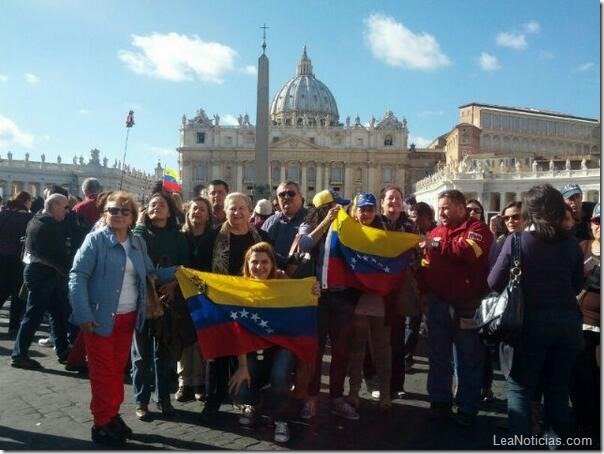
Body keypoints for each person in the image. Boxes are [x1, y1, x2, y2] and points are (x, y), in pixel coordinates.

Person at [69, 191, 177, 446]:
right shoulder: (94, 240)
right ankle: (101, 423)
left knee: (117, 371)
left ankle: (112, 415)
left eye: (124, 211)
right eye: (112, 211)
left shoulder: (137, 244)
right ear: (105, 215)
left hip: (129, 318)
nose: (118, 215)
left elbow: (150, 273)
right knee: (102, 373)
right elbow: (77, 277)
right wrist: (83, 314)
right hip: (99, 318)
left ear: (132, 217)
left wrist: (179, 272)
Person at [488, 184, 583, 440]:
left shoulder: (516, 241)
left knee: (520, 390)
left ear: (529, 212)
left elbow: (493, 283)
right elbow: (577, 284)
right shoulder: (572, 244)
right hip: (567, 324)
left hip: (527, 325)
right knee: (557, 392)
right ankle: (559, 445)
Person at [228, 241, 320, 443]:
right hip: (253, 348)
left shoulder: (283, 283)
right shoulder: (240, 288)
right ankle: (253, 402)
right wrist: (242, 367)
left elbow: (301, 299)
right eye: (254, 262)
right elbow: (238, 332)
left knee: (280, 377)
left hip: (282, 346)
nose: (259, 267)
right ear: (247, 264)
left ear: (272, 264)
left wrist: (312, 291)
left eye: (264, 262)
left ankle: (281, 419)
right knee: (240, 390)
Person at [420, 189, 493, 427]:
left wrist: (438, 245)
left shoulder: (479, 230)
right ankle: (439, 402)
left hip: (466, 305)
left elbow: (467, 252)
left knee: (468, 358)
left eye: (445, 207)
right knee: (439, 357)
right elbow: (426, 263)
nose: (440, 212)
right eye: (440, 208)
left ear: (461, 208)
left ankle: (467, 407)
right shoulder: (436, 231)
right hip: (438, 303)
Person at [200, 192, 267, 423]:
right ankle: (213, 399)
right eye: (232, 208)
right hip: (219, 303)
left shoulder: (262, 237)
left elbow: (274, 268)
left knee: (248, 352)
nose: (237, 213)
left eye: (241, 208)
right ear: (224, 210)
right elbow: (199, 269)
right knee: (216, 354)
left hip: (251, 305)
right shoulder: (211, 238)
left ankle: (245, 397)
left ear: (250, 212)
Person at [295, 189, 359, 421]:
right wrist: (326, 221)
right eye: (336, 206)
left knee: (342, 350)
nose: (340, 209)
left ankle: (337, 397)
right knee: (315, 350)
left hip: (342, 296)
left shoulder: (346, 225)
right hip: (318, 297)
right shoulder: (307, 224)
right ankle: (311, 397)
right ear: (325, 208)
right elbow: (304, 244)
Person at [130, 192, 190, 420]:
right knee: (141, 355)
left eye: (161, 204)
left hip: (169, 300)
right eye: (153, 204)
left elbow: (186, 267)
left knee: (164, 354)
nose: (156, 207)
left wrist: (174, 284)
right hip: (142, 298)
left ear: (170, 210)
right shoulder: (138, 235)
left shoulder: (179, 237)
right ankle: (141, 401)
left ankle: (163, 398)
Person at [10, 194, 72, 369]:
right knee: (34, 315)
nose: (67, 211)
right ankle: (19, 354)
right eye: (65, 207)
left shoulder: (38, 218)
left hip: (43, 273)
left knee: (57, 313)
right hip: (42, 274)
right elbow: (59, 254)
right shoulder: (47, 225)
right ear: (53, 206)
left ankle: (63, 350)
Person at [345, 193, 393, 413]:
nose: (365, 214)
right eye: (362, 209)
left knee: (381, 349)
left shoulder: (385, 234)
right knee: (357, 348)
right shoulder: (347, 233)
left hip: (379, 299)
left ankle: (385, 391)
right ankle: (354, 390)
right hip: (356, 298)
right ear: (355, 211)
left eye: (370, 209)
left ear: (376, 211)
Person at [176, 196, 213, 403]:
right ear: (187, 213)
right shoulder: (180, 235)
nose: (197, 212)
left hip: (205, 293)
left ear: (208, 216)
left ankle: (199, 381)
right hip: (181, 292)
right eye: (194, 209)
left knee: (200, 339)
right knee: (183, 338)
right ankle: (184, 381)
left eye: (202, 209)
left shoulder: (214, 237)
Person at [569, 202, 600, 445]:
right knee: (582, 377)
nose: (599, 226)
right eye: (596, 221)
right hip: (583, 325)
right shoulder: (582, 247)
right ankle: (585, 423)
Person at [0, 191, 33, 335]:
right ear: (26, 202)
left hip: (2, 256)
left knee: (2, 289)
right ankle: (14, 325)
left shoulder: (3, 214)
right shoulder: (28, 217)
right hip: (18, 258)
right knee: (17, 292)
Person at [261, 181, 308, 270]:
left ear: (300, 196)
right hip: (275, 279)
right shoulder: (270, 222)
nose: (286, 197)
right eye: (282, 194)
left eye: (291, 194)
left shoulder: (313, 219)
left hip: (304, 280)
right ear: (277, 199)